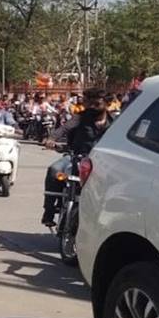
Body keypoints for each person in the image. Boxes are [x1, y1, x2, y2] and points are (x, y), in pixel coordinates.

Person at [40, 89, 112, 226]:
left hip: (102, 162)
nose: (92, 107)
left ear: (107, 104)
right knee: (54, 170)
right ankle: (48, 212)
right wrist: (51, 138)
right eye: (89, 103)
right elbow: (64, 128)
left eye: (96, 104)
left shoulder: (115, 123)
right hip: (76, 157)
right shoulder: (80, 117)